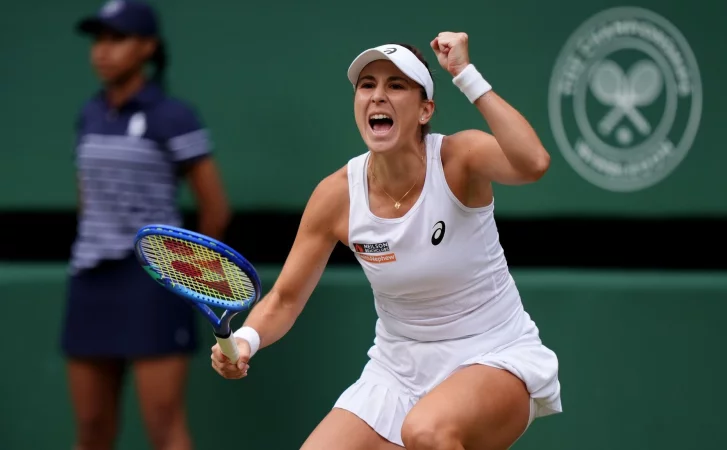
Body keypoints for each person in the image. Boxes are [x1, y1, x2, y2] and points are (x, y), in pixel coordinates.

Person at [211, 32, 561, 449]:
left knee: (426, 432)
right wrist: (246, 341)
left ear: (425, 109)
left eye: (396, 85)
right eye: (367, 85)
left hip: (494, 355)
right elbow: (285, 298)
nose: (378, 96)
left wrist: (464, 74)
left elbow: (533, 162)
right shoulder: (336, 195)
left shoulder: (460, 159)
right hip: (395, 371)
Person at [61, 1, 230, 449]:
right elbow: (88, 197)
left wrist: (187, 276)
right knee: (92, 427)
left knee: (163, 424)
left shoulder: (174, 116)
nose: (103, 51)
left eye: (117, 39)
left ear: (147, 48)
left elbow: (215, 208)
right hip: (90, 283)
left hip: (151, 285)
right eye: (99, 40)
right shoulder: (89, 114)